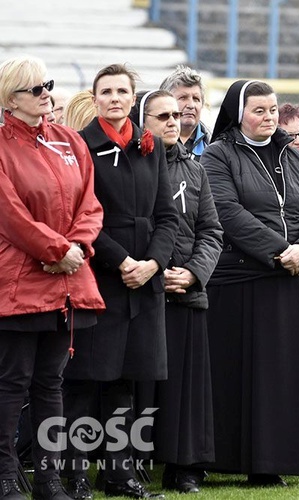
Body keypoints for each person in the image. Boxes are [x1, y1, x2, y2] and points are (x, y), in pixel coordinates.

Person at [201, 80, 299, 487]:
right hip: (241, 281)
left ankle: (270, 462)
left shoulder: (292, 156)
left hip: (289, 281)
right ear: (239, 113)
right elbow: (228, 213)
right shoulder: (219, 156)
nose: (269, 117)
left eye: (273, 109)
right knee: (239, 377)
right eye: (259, 110)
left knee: (280, 378)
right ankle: (230, 459)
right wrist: (280, 251)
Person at [62, 64, 179, 500]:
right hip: (101, 278)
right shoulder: (81, 147)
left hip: (144, 283)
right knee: (83, 382)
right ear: (94, 100)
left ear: (133, 99)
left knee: (125, 384)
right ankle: (72, 476)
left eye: (122, 91)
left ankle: (120, 475)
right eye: (106, 91)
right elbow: (83, 216)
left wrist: (152, 263)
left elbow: (167, 216)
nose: (114, 98)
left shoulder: (150, 147)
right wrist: (123, 261)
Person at [0, 56, 104, 500]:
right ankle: (5, 476)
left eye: (49, 85)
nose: (47, 93)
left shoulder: (68, 141)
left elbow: (90, 204)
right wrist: (58, 251)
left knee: (50, 383)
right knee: (11, 383)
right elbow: (10, 214)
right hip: (22, 280)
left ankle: (48, 478)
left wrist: (76, 248)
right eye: (35, 88)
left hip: (66, 280)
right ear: (11, 98)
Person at [130, 90, 223, 492]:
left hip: (186, 291)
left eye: (178, 115)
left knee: (182, 388)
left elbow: (212, 232)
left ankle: (183, 466)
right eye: (163, 115)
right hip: (141, 292)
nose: (174, 121)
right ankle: (130, 462)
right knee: (138, 386)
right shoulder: (129, 165)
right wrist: (152, 271)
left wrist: (193, 273)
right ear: (142, 119)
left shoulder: (195, 169)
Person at [160, 65, 210, 160]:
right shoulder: (150, 143)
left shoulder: (213, 145)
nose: (191, 105)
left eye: (196, 99)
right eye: (183, 98)